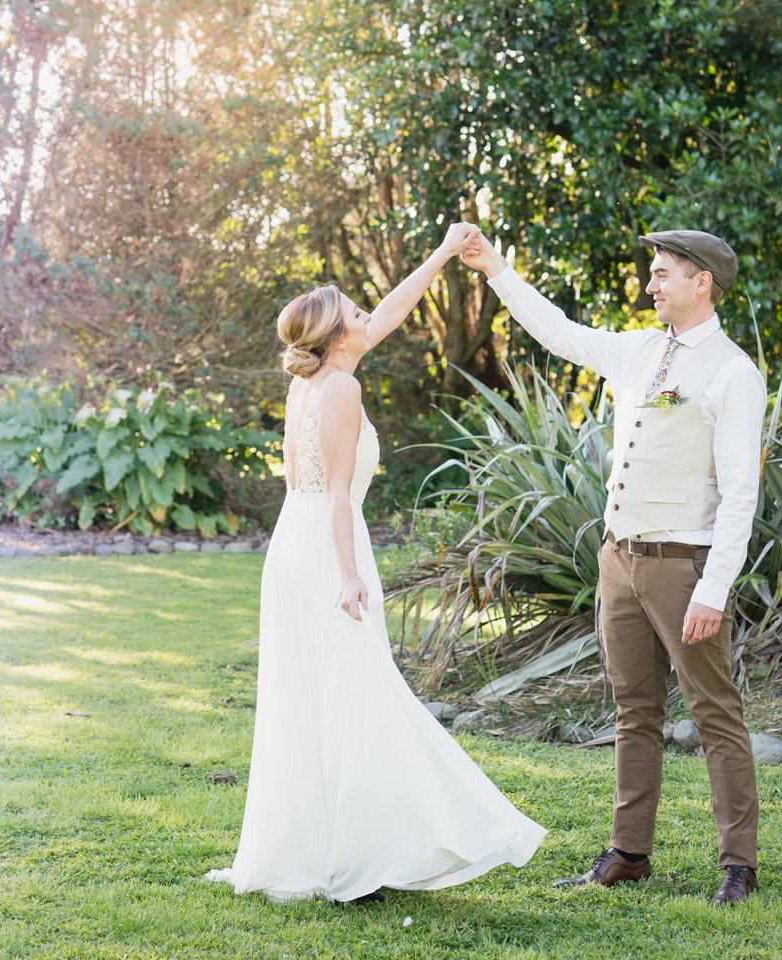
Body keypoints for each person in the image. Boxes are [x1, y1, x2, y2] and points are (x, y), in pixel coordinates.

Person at [207, 222, 546, 905]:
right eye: (357, 314)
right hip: (327, 546)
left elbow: (394, 305)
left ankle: (334, 850)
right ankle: (358, 862)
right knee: (356, 696)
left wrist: (447, 253)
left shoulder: (318, 379)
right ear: (338, 336)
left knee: (324, 698)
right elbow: (336, 495)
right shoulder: (341, 390)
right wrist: (352, 576)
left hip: (296, 540)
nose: (372, 317)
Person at [460, 229, 765, 906]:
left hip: (683, 566)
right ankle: (629, 853)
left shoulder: (732, 372)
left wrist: (714, 587)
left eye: (662, 275)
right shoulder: (638, 350)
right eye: (652, 275)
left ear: (701, 283)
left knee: (715, 714)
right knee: (634, 712)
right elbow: (560, 333)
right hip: (619, 560)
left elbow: (742, 493)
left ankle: (738, 867)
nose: (651, 285)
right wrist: (497, 270)